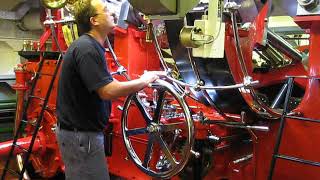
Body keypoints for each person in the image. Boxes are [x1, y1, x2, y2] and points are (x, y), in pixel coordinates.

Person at [55, 0, 162, 179]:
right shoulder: (87, 49)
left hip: (80, 135)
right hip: (82, 138)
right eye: (106, 10)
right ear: (94, 21)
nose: (113, 12)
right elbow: (108, 91)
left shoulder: (90, 46)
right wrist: (144, 81)